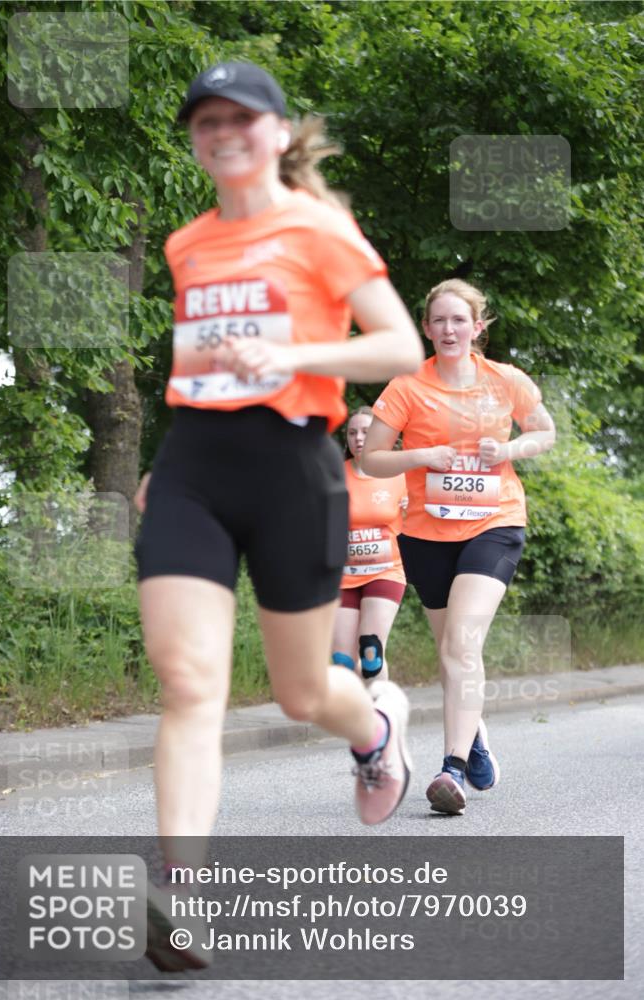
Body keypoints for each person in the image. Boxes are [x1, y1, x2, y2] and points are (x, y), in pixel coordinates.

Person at [133, 61, 423, 967]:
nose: (222, 132)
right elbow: (203, 366)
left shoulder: (318, 228)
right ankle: (182, 899)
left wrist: (291, 354)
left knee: (302, 695)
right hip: (193, 467)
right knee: (188, 681)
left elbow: (398, 343)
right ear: (194, 138)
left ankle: (375, 731)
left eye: (240, 117)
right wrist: (162, 464)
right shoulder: (187, 244)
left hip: (293, 466)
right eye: (205, 120)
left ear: (277, 131)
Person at [361, 278, 555, 816]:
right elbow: (371, 458)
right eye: (440, 320)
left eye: (459, 320)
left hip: (495, 522)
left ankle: (452, 769)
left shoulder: (506, 380)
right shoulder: (407, 386)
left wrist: (509, 449)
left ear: (477, 327)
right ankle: (475, 735)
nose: (449, 329)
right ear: (427, 328)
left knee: (463, 645)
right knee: (451, 652)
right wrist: (422, 457)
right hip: (426, 533)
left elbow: (544, 432)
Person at [332, 406, 408, 684]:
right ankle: (355, 711)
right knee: (342, 661)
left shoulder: (399, 474)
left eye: (365, 431)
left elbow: (420, 522)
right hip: (344, 575)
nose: (359, 438)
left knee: (371, 651)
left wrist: (412, 510)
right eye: (352, 433)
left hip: (385, 572)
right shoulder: (334, 474)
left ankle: (381, 710)